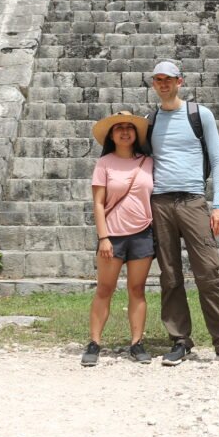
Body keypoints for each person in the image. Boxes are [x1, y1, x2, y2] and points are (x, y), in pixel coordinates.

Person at [148, 61, 219, 368]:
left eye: (168, 79)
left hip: (193, 201)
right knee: (169, 275)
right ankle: (180, 341)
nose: (163, 84)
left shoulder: (199, 114)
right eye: (158, 80)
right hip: (161, 202)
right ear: (154, 84)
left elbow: (217, 161)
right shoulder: (150, 120)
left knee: (208, 272)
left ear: (180, 81)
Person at [81, 110, 155, 367]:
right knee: (105, 289)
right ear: (112, 135)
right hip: (112, 236)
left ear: (136, 134)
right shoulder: (105, 164)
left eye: (129, 127)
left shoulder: (148, 162)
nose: (124, 131)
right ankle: (94, 342)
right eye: (118, 128)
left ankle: (136, 342)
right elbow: (98, 203)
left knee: (137, 290)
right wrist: (103, 237)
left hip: (142, 234)